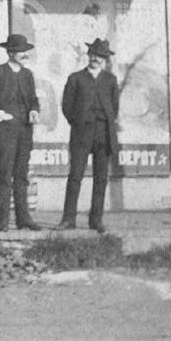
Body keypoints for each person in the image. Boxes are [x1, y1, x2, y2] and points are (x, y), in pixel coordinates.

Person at [0, 34, 40, 231]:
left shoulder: (27, 75)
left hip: (24, 131)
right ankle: (2, 220)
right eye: (20, 51)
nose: (24, 54)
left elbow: (33, 99)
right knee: (4, 175)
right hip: (4, 131)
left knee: (21, 175)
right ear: (10, 52)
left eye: (25, 51)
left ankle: (24, 219)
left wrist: (34, 110)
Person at [59, 38, 119, 233]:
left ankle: (96, 220)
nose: (96, 59)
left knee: (101, 178)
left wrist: (104, 121)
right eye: (93, 55)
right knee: (75, 175)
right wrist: (78, 122)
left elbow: (114, 107)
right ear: (88, 56)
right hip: (82, 133)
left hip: (104, 132)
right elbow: (66, 106)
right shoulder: (75, 78)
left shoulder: (110, 80)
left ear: (105, 59)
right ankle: (68, 219)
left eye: (100, 56)